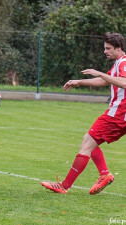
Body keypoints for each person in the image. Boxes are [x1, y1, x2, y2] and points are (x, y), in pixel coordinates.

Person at [41, 32, 126, 195]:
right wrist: (79, 82)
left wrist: (99, 73)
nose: (105, 51)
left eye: (108, 48)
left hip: (118, 114)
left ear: (118, 48)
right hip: (120, 114)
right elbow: (105, 80)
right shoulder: (118, 63)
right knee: (90, 140)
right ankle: (104, 174)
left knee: (87, 143)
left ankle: (65, 185)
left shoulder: (124, 63)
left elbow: (124, 82)